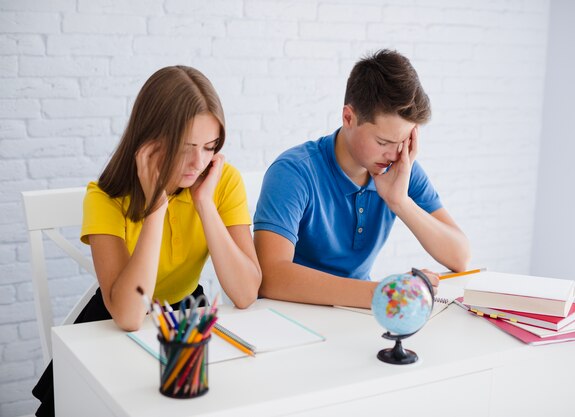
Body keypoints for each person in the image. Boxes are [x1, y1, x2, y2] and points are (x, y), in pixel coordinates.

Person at [32, 65, 262, 416]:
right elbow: (127, 315)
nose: (198, 163)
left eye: (209, 147)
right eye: (186, 148)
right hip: (112, 324)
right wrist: (156, 206)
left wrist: (204, 204)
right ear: (150, 142)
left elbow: (246, 294)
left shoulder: (221, 180)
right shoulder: (105, 197)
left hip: (185, 316)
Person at [253, 49, 470, 308]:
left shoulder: (401, 167)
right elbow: (271, 277)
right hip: (293, 315)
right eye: (383, 142)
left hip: (355, 315)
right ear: (348, 118)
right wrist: (382, 293)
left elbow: (460, 256)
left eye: (403, 142)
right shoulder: (294, 172)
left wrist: (400, 202)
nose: (393, 154)